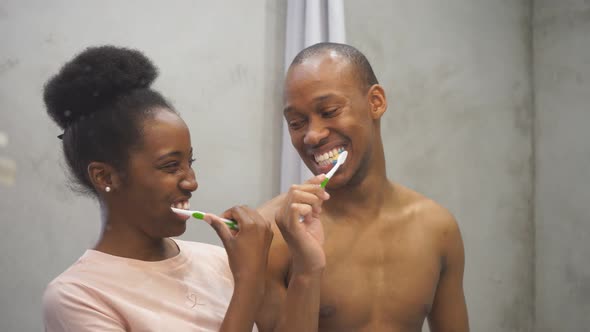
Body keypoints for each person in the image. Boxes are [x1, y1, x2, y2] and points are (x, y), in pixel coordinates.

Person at [42, 45, 327, 332]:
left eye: (189, 162)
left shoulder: (217, 263)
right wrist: (249, 283)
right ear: (105, 177)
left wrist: (307, 267)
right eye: (170, 166)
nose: (191, 181)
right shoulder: (78, 296)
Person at [254, 43, 469, 332]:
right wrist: (306, 270)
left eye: (329, 111)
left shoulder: (437, 229)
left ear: (376, 102)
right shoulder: (272, 234)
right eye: (296, 122)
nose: (313, 135)